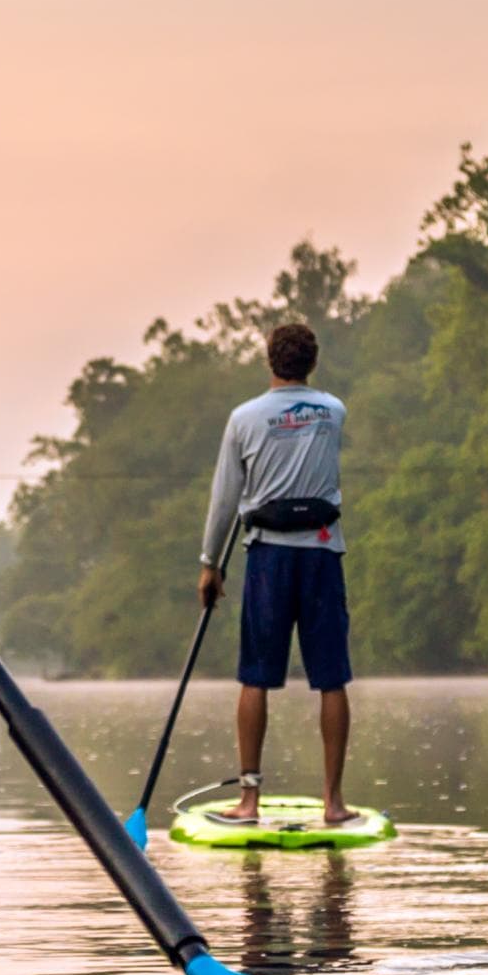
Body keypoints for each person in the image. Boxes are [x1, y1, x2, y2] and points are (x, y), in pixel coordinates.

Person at [196, 322, 354, 826]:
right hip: (322, 556)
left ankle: (249, 802)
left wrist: (210, 565)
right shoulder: (333, 411)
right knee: (331, 679)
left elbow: (225, 497)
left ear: (270, 361)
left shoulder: (244, 418)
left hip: (268, 559)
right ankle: (333, 803)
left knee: (255, 678)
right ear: (313, 361)